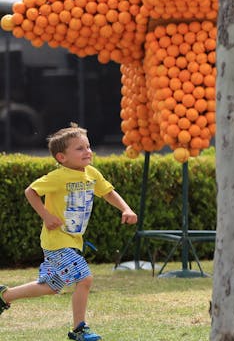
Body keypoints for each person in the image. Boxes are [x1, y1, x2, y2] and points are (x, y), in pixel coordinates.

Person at [0, 124, 137, 341]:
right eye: (80, 149)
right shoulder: (58, 176)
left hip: (73, 241)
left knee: (51, 287)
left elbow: (108, 192)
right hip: (56, 242)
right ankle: (79, 329)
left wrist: (126, 208)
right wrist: (45, 215)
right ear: (62, 157)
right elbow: (31, 191)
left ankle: (4, 296)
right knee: (85, 278)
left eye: (88, 146)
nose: (88, 151)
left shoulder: (92, 173)